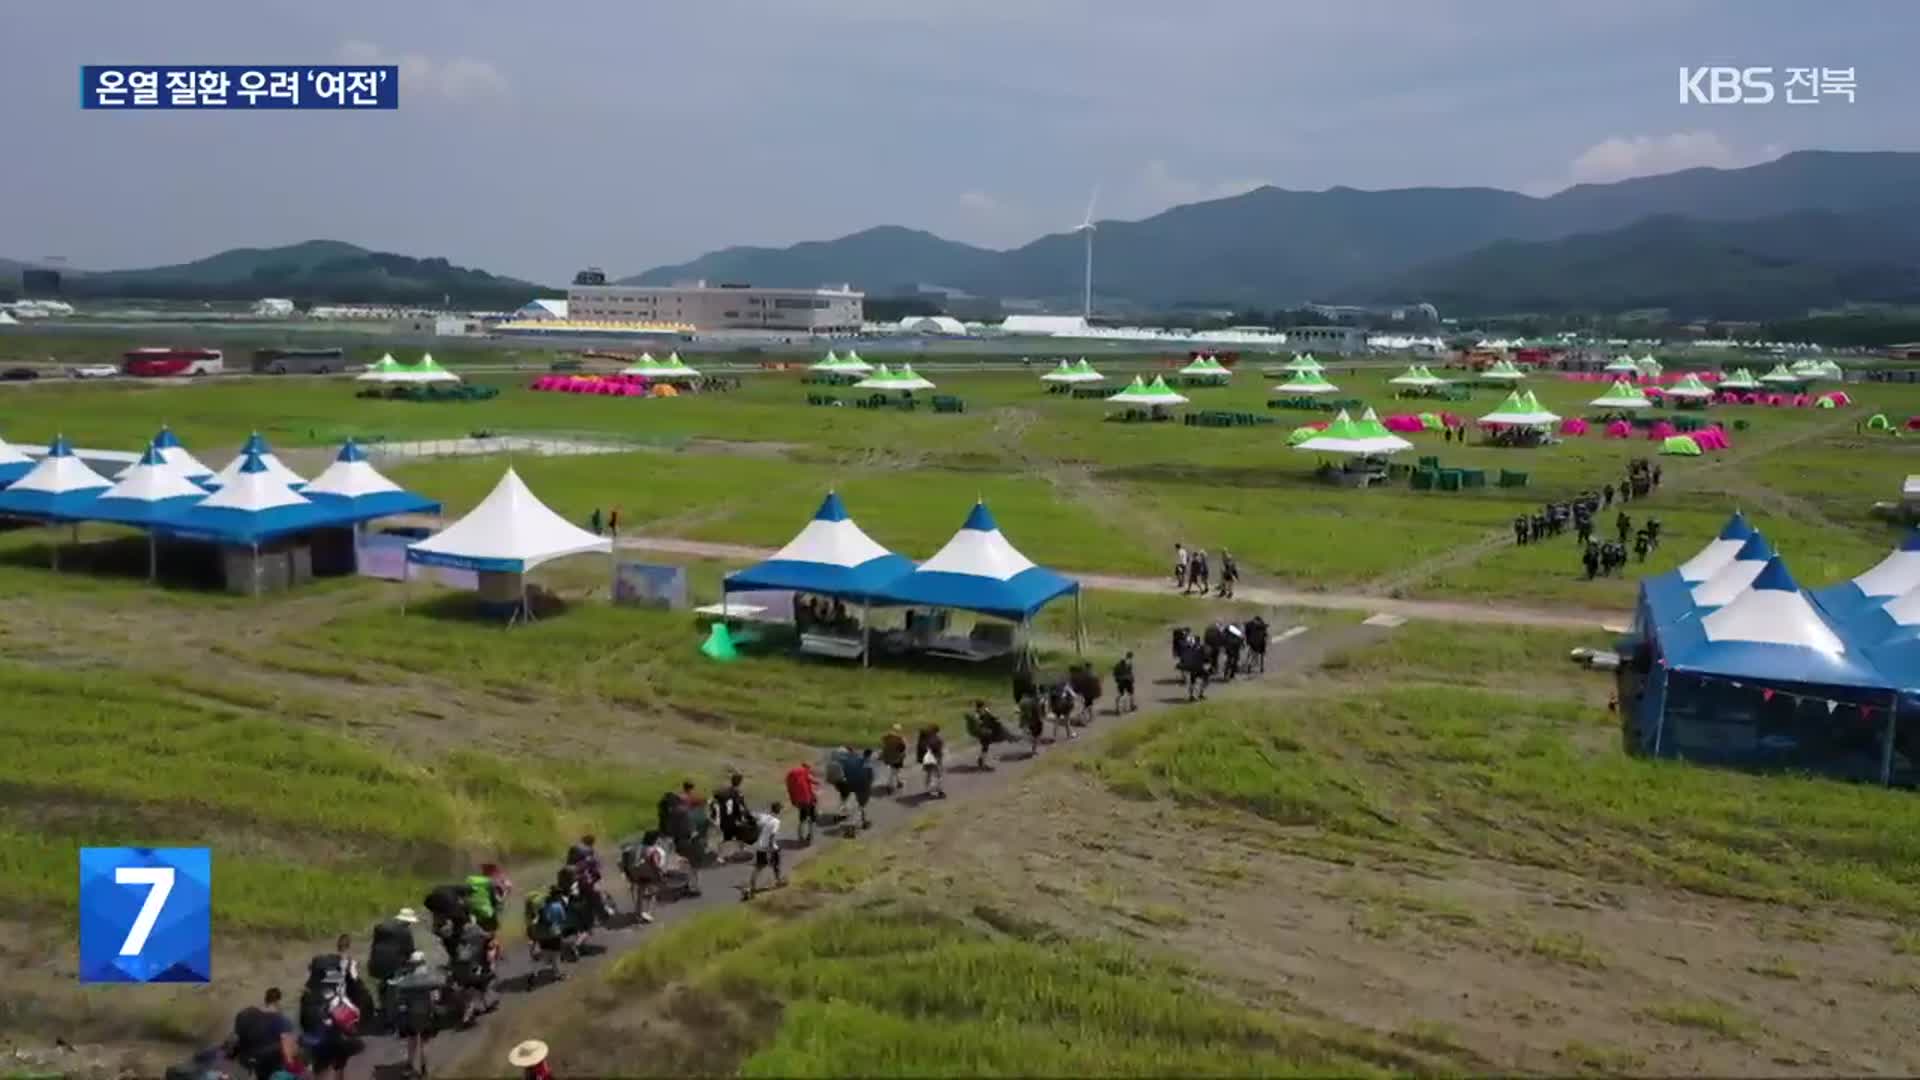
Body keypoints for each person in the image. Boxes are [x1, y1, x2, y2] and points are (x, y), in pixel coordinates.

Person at [298, 966, 364, 1080]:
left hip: (315, 1038)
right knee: (338, 1063)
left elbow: (303, 1020)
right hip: (332, 1037)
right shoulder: (334, 995)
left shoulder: (307, 995)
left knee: (320, 1067)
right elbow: (353, 1013)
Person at [388, 951, 445, 1079]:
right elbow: (436, 997)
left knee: (411, 1041)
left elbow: (399, 998)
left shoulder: (406, 980)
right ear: (423, 962)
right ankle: (424, 1069)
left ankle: (409, 1065)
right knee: (424, 1043)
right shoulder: (430, 979)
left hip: (410, 1015)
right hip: (426, 1014)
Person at [228, 987, 297, 1080]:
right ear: (278, 1002)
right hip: (267, 1067)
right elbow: (287, 1052)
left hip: (245, 1061)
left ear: (265, 998)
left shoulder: (244, 1013)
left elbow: (235, 1038)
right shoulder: (283, 1021)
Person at [367, 908, 419, 1029]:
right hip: (393, 965)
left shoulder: (381, 928)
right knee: (395, 989)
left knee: (383, 986)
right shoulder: (405, 932)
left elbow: (375, 945)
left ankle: (384, 1009)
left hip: (376, 963)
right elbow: (409, 951)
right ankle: (391, 1018)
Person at [745, 801, 787, 899]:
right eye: (781, 809)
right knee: (775, 864)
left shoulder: (765, 817)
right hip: (768, 847)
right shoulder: (776, 822)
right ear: (779, 810)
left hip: (760, 845)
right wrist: (771, 849)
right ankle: (778, 881)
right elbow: (772, 836)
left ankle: (752, 885)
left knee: (760, 866)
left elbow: (754, 815)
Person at [711, 774, 754, 863]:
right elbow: (741, 807)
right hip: (733, 820)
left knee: (727, 838)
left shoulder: (725, 791)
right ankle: (741, 852)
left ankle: (721, 856)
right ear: (739, 782)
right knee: (742, 834)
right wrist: (750, 817)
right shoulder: (738, 793)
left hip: (724, 819)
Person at [784, 760, 819, 845]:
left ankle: (800, 836)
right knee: (812, 818)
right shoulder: (804, 772)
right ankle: (810, 836)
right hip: (808, 799)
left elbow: (790, 789)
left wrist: (794, 801)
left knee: (802, 819)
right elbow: (813, 781)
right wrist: (818, 783)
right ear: (807, 767)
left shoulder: (791, 775)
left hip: (799, 801)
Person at [916, 723, 946, 798]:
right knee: (938, 776)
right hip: (935, 760)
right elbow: (939, 749)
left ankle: (929, 790)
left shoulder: (924, 739)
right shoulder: (936, 739)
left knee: (929, 775)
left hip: (926, 760)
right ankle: (939, 791)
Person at [879, 725, 909, 792]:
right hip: (897, 757)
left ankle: (899, 782)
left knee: (895, 770)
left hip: (888, 756)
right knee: (894, 771)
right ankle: (889, 785)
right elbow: (903, 748)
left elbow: (882, 741)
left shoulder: (887, 737)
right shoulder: (900, 739)